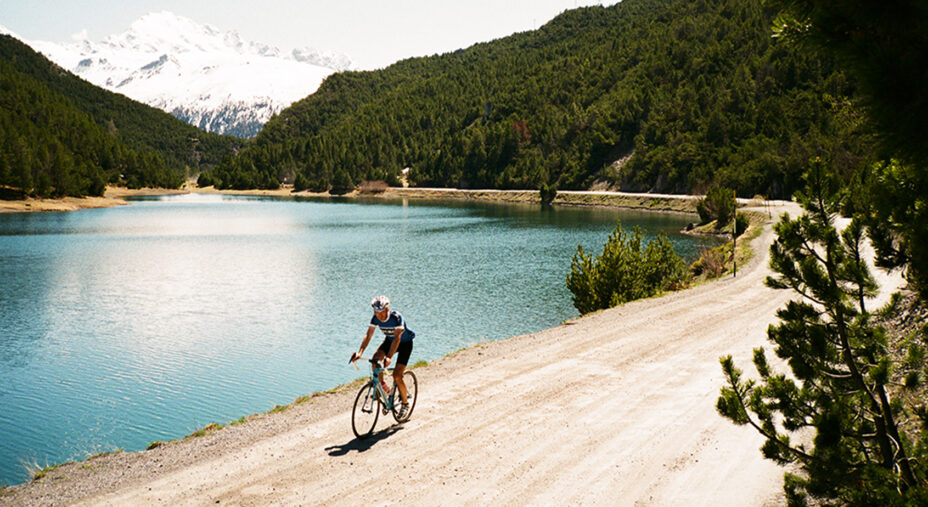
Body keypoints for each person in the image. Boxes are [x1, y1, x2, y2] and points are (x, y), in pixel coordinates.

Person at [350, 295, 415, 419]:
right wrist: (360, 353)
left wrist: (389, 357)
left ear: (387, 309)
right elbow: (368, 335)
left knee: (397, 375)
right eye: (376, 312)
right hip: (389, 342)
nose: (378, 315)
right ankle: (383, 388)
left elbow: (397, 338)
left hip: (404, 344)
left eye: (381, 312)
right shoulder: (375, 318)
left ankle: (405, 404)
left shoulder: (396, 317)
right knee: (375, 361)